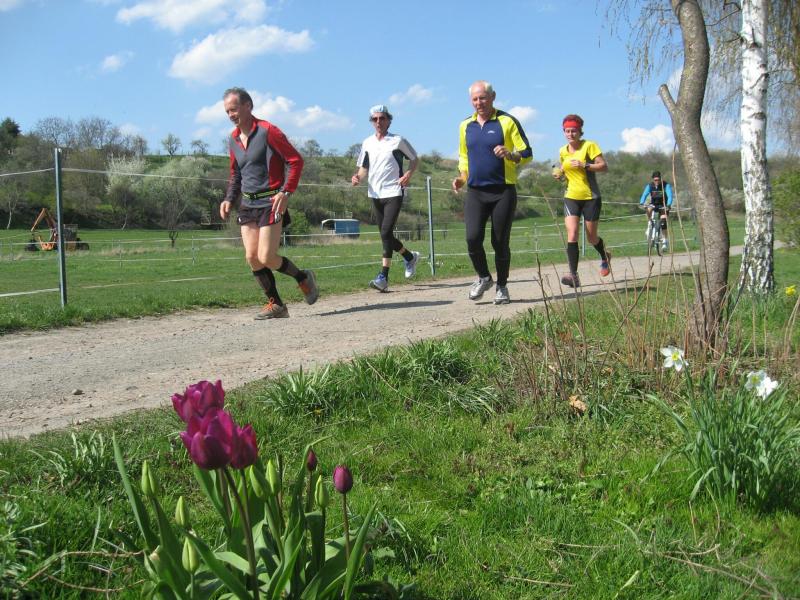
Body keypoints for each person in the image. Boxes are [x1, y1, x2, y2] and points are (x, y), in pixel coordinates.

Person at [219, 87, 319, 320]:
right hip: (248, 204)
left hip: (271, 202)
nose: (231, 115)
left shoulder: (268, 131)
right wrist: (228, 198)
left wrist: (286, 192)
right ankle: (277, 305)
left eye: (234, 109)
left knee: (266, 257)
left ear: (248, 106)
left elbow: (295, 161)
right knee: (252, 258)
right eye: (227, 112)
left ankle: (302, 277)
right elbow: (236, 173)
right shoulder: (233, 139)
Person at [452, 81, 532, 304]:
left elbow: (527, 152)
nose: (479, 102)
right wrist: (461, 178)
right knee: (472, 238)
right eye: (475, 99)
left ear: (493, 96)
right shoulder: (465, 125)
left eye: (483, 98)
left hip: (503, 191)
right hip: (476, 191)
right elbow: (464, 157)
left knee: (499, 242)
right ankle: (484, 277)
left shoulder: (507, 121)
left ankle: (502, 287)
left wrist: (511, 154)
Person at [351, 104, 420, 292]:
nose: (378, 122)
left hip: (394, 191)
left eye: (382, 118)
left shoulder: (398, 141)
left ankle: (383, 277)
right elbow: (364, 168)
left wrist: (408, 174)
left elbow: (414, 159)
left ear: (389, 120)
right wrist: (358, 177)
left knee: (385, 232)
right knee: (385, 234)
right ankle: (409, 257)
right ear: (371, 122)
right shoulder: (367, 143)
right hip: (375, 193)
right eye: (375, 119)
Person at [552, 114, 609, 288]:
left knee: (591, 238)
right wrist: (560, 174)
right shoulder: (562, 151)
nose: (570, 134)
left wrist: (585, 165)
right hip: (571, 197)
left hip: (591, 197)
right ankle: (573, 275)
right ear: (564, 132)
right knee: (572, 234)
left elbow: (604, 166)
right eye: (567, 131)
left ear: (580, 131)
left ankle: (605, 256)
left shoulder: (589, 146)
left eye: (573, 131)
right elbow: (565, 169)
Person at [639, 170, 673, 251]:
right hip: (654, 204)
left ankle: (665, 241)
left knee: (663, 223)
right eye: (655, 180)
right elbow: (644, 194)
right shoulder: (650, 186)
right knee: (648, 208)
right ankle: (650, 222)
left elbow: (670, 196)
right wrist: (641, 202)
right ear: (653, 179)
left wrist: (668, 205)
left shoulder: (666, 185)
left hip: (663, 205)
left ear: (661, 179)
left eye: (658, 180)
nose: (656, 181)